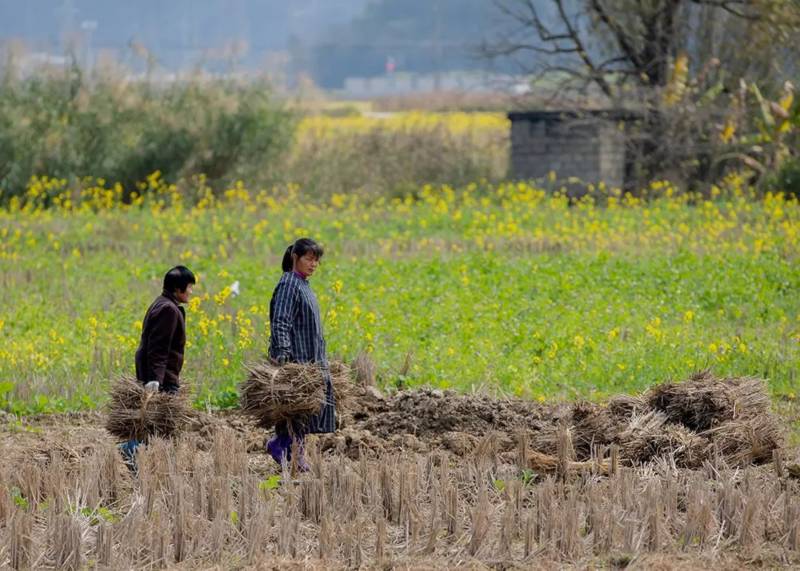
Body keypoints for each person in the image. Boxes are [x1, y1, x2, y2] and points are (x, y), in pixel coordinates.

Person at [266, 238, 336, 471]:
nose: (313, 264)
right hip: (296, 359)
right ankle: (283, 447)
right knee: (295, 408)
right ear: (295, 258)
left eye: (317, 260)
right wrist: (284, 354)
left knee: (304, 409)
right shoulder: (289, 284)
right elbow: (281, 322)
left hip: (311, 358)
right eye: (309, 259)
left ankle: (295, 451)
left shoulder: (303, 284)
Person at [120, 265, 195, 468]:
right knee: (164, 425)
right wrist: (155, 380)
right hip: (162, 378)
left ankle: (148, 462)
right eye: (189, 287)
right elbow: (158, 348)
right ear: (178, 289)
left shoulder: (162, 304)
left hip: (160, 375)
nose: (191, 292)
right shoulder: (168, 310)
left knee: (158, 425)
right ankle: (132, 450)